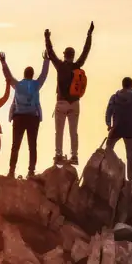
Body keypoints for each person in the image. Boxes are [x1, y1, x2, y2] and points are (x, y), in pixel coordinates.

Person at [45, 21, 94, 167]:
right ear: (73, 56)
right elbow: (86, 51)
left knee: (59, 131)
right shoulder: (77, 65)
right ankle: (74, 156)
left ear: (64, 55)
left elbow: (50, 52)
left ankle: (58, 155)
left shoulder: (59, 66)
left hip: (61, 103)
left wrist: (47, 38)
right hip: (75, 103)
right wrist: (89, 34)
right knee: (74, 131)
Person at [0, 49, 50, 178]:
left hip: (19, 117)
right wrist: (46, 60)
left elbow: (8, 77)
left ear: (24, 74)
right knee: (32, 145)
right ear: (32, 75)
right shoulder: (37, 84)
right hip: (33, 118)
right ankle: (31, 171)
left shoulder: (18, 85)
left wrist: (3, 63)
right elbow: (44, 74)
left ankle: (11, 171)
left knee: (15, 145)